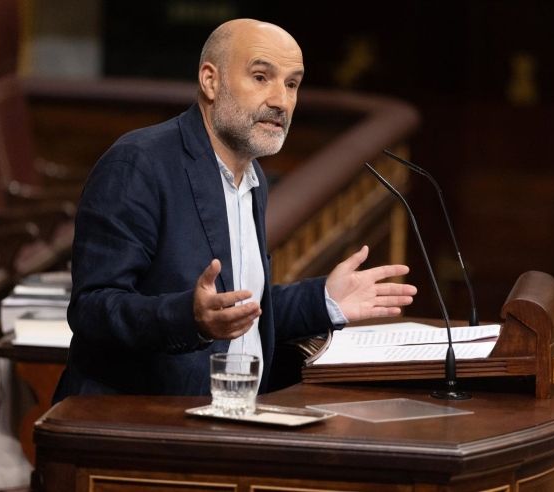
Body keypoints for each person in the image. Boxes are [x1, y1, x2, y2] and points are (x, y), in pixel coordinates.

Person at [53, 18, 416, 401]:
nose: (280, 100)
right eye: (261, 77)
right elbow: (92, 309)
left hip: (230, 415)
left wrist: (325, 299)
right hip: (138, 422)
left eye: (292, 84)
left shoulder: (252, 178)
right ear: (211, 81)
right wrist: (190, 318)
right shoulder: (139, 163)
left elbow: (238, 307)